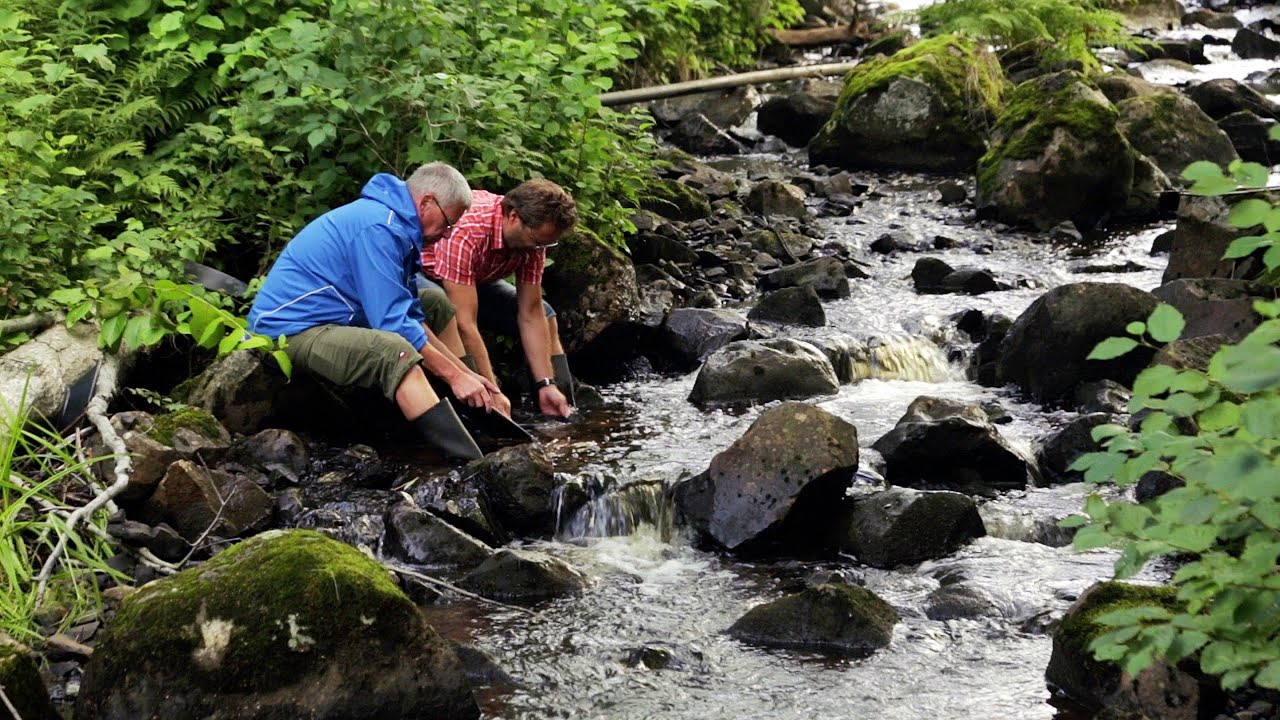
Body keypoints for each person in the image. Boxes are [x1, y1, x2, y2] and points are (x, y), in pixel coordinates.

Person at [248, 162, 509, 461]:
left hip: (335, 318)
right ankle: (469, 463)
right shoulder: (379, 227)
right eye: (448, 223)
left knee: (435, 304)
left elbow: (409, 314)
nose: (447, 235)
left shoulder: (399, 227)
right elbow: (392, 323)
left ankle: (473, 410)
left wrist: (467, 376)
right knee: (393, 350)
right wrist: (453, 376)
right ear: (426, 203)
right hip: (288, 331)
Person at [420, 179, 578, 418]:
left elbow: (531, 312)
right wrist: (493, 391)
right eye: (537, 242)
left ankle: (558, 405)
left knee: (546, 314)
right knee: (445, 312)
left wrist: (546, 383)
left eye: (545, 245)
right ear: (513, 217)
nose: (539, 250)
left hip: (478, 279)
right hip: (425, 276)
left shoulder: (533, 239)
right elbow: (465, 323)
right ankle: (477, 409)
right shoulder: (468, 231)